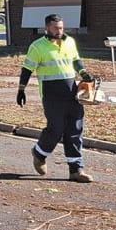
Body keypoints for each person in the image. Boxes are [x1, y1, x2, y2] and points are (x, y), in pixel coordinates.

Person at [16, 14, 96, 183]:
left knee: (75, 129)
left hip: (72, 93)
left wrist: (84, 73)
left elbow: (76, 60)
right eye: (56, 28)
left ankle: (76, 170)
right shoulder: (37, 47)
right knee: (56, 128)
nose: (60, 31)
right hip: (51, 95)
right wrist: (21, 89)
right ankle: (39, 153)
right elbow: (27, 69)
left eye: (61, 27)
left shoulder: (70, 42)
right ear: (47, 28)